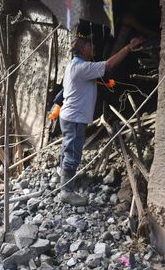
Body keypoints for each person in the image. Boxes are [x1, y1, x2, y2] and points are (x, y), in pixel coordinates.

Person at [58, 35, 145, 206]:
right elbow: (109, 65)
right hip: (74, 118)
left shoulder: (74, 65)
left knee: (68, 149)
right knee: (73, 153)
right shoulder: (82, 67)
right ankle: (66, 192)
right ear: (83, 49)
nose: (94, 48)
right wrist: (129, 46)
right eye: (90, 45)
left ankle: (64, 179)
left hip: (69, 116)